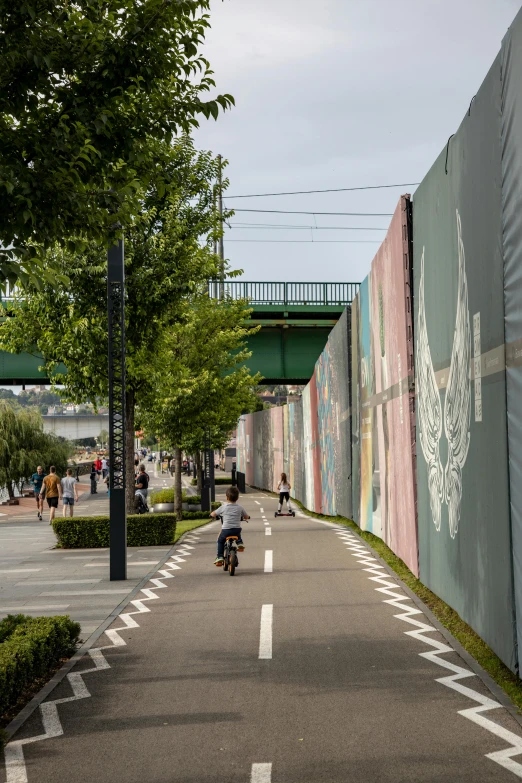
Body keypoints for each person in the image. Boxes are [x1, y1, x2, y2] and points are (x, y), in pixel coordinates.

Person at [210, 486, 250, 566]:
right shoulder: (240, 507)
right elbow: (246, 516)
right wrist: (247, 517)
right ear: (237, 497)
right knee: (238, 533)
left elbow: (214, 514)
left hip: (226, 530)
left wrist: (211, 515)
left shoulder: (223, 507)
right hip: (236, 530)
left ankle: (220, 557)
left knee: (220, 540)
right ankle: (239, 543)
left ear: (226, 497)